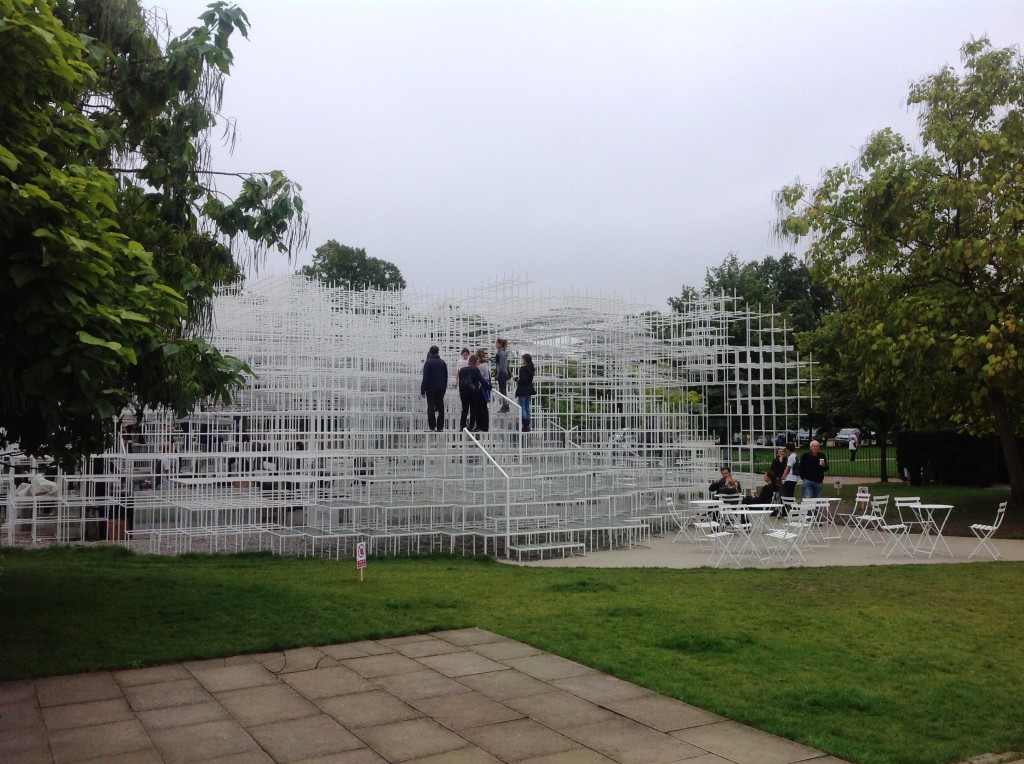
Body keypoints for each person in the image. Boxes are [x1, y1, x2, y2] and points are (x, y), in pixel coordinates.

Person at [420, 345, 448, 432]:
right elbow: (445, 377)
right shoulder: (443, 363)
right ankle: (440, 427)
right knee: (441, 406)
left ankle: (432, 426)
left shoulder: (428, 363)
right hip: (441, 388)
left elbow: (426, 378)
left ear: (430, 352)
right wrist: (444, 388)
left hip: (430, 388)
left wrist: (423, 390)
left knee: (431, 406)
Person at [458, 353, 487, 432]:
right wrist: (488, 386)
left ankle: (462, 426)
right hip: (474, 392)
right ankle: (470, 426)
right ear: (475, 361)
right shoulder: (476, 369)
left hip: (464, 392)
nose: (478, 363)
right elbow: (481, 380)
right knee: (473, 409)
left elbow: (460, 382)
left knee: (464, 409)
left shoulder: (462, 370)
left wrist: (461, 391)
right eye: (478, 361)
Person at [515, 353, 536, 432]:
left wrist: (517, 379)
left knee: (523, 407)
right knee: (527, 407)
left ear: (525, 360)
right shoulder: (531, 369)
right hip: (529, 390)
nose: (521, 359)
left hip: (523, 390)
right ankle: (527, 424)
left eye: (522, 358)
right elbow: (528, 380)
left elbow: (523, 380)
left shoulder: (523, 368)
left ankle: (525, 424)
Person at [456, 348, 472, 428]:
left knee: (466, 407)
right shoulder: (460, 362)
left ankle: (464, 425)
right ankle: (463, 424)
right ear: (462, 354)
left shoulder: (470, 361)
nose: (465, 356)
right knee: (465, 407)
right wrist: (457, 380)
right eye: (464, 354)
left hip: (466, 385)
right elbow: (458, 371)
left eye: (466, 354)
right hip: (464, 385)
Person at [494, 338, 510, 413]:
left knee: (502, 390)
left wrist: (497, 374)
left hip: (502, 373)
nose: (495, 345)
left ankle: (505, 406)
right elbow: (499, 362)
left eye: (496, 343)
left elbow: (501, 365)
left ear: (500, 344)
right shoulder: (503, 352)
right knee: (502, 390)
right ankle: (505, 405)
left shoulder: (501, 353)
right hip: (504, 373)